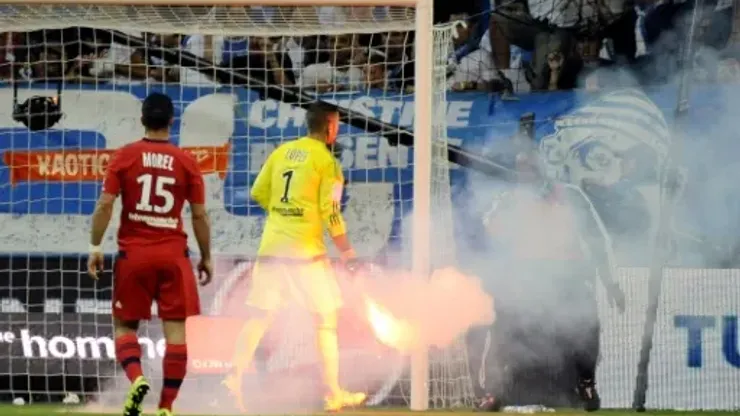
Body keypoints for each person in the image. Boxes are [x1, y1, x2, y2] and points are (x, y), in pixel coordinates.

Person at [222, 102, 366, 412]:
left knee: (260, 317)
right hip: (305, 254)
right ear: (330, 127)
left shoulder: (282, 152)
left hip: (272, 249)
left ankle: (232, 380)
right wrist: (348, 253)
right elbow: (331, 213)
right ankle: (333, 393)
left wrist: (283, 214)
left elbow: (258, 191)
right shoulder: (327, 163)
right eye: (337, 125)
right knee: (325, 320)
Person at [87, 92, 213, 416]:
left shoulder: (125, 156)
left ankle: (138, 378)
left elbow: (104, 205)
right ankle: (166, 407)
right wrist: (206, 256)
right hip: (173, 257)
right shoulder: (186, 161)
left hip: (134, 257)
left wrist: (95, 246)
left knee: (124, 327)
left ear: (141, 119)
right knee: (176, 335)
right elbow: (199, 215)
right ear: (172, 121)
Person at [478, 144, 625, 412]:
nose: (527, 173)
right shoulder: (509, 198)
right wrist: (508, 209)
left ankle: (587, 384)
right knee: (502, 331)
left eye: (532, 167)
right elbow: (490, 229)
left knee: (585, 327)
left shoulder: (571, 195)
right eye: (522, 168)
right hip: (524, 275)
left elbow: (598, 240)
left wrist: (611, 283)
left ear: (543, 167)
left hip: (567, 274)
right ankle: (494, 392)